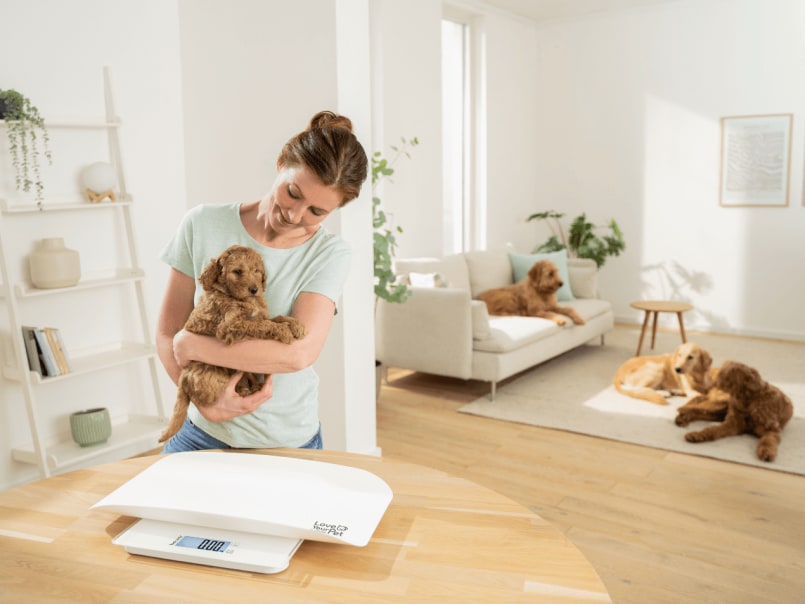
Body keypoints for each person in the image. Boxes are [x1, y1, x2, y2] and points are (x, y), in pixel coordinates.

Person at [156, 110, 368, 453]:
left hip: (285, 441)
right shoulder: (202, 223)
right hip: (199, 432)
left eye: (317, 212)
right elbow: (168, 331)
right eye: (293, 192)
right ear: (282, 162)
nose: (296, 215)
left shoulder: (330, 254)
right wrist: (203, 401)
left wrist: (192, 347)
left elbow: (298, 354)